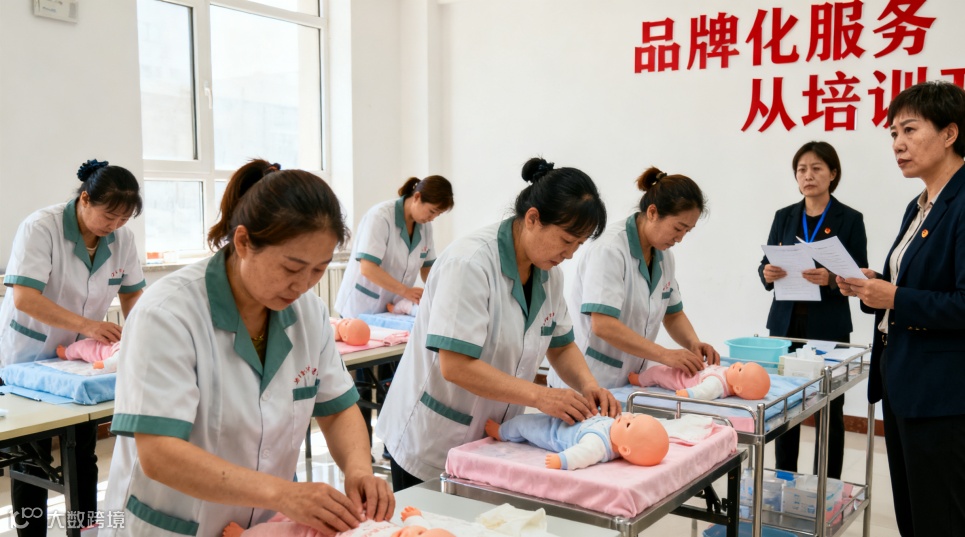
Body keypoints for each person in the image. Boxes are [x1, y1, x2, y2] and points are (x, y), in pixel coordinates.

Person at [101, 160, 393, 536]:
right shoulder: (167, 313)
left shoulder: (308, 313)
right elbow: (160, 454)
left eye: (318, 270)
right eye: (291, 268)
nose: (303, 285)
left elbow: (337, 409)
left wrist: (359, 470)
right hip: (174, 524)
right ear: (243, 242)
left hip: (259, 525)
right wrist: (283, 494)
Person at [376, 157, 619, 491]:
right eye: (566, 240)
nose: (570, 254)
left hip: (493, 438)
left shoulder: (549, 276)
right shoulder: (470, 264)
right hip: (434, 437)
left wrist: (589, 386)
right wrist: (540, 396)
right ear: (533, 219)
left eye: (578, 245)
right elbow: (456, 366)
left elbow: (561, 346)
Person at [838, 80, 965, 535]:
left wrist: (894, 297)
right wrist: (873, 283)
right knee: (913, 509)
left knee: (941, 516)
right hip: (903, 377)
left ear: (949, 133)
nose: (897, 144)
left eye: (909, 130)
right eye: (893, 133)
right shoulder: (920, 204)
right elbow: (916, 283)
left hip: (942, 392)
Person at [0, 158, 145, 536]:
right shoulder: (41, 227)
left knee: (82, 450)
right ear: (84, 199)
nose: (114, 225)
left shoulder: (122, 240)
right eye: (108, 215)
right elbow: (25, 298)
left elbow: (133, 295)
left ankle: (84, 529)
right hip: (28, 353)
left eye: (123, 219)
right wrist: (88, 326)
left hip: (79, 360)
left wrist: (142, 335)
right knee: (31, 457)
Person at [546, 167, 718, 391]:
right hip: (587, 380)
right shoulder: (610, 250)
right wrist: (664, 355)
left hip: (630, 381)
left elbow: (673, 314)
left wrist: (693, 343)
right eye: (678, 228)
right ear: (653, 212)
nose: (680, 238)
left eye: (687, 231)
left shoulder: (663, 256)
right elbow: (603, 325)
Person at [758, 141, 867, 481]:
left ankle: (827, 485)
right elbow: (765, 263)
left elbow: (861, 274)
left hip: (828, 326)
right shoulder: (784, 216)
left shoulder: (850, 219)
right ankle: (784, 480)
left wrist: (832, 279)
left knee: (830, 408)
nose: (808, 175)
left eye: (816, 168)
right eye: (802, 169)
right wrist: (766, 272)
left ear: (832, 174)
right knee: (784, 403)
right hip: (785, 324)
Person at [335, 175, 454, 318]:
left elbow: (427, 269)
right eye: (432, 211)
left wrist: (441, 291)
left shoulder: (425, 227)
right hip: (361, 305)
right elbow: (368, 268)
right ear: (417, 197)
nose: (432, 218)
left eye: (438, 215)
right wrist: (406, 291)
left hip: (391, 308)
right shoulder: (380, 217)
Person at [485, 412, 670, 470]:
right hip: (566, 419)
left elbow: (581, 455)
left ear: (624, 449)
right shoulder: (615, 430)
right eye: (634, 416)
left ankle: (501, 432)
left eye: (629, 424)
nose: (627, 417)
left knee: (523, 423)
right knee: (530, 420)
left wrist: (562, 460)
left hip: (553, 432)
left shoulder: (598, 444)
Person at [223, 506, 455, 537]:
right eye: (420, 533)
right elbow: (420, 524)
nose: (411, 534)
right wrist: (414, 516)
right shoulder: (420, 530)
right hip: (355, 516)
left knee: (288, 532)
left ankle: (244, 535)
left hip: (329, 533)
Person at [628, 361, 771, 401]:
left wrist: (688, 393)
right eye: (743, 365)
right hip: (692, 369)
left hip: (680, 378)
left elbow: (703, 392)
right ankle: (641, 377)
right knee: (660, 368)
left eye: (740, 370)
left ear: (737, 388)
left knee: (657, 372)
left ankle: (639, 380)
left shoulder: (717, 384)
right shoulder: (729, 374)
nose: (738, 364)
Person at [56, 339, 120, 371]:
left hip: (108, 346)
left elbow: (116, 361)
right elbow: (116, 361)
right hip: (106, 345)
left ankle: (66, 352)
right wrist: (104, 364)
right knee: (84, 346)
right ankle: (66, 353)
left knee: (86, 345)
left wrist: (103, 364)